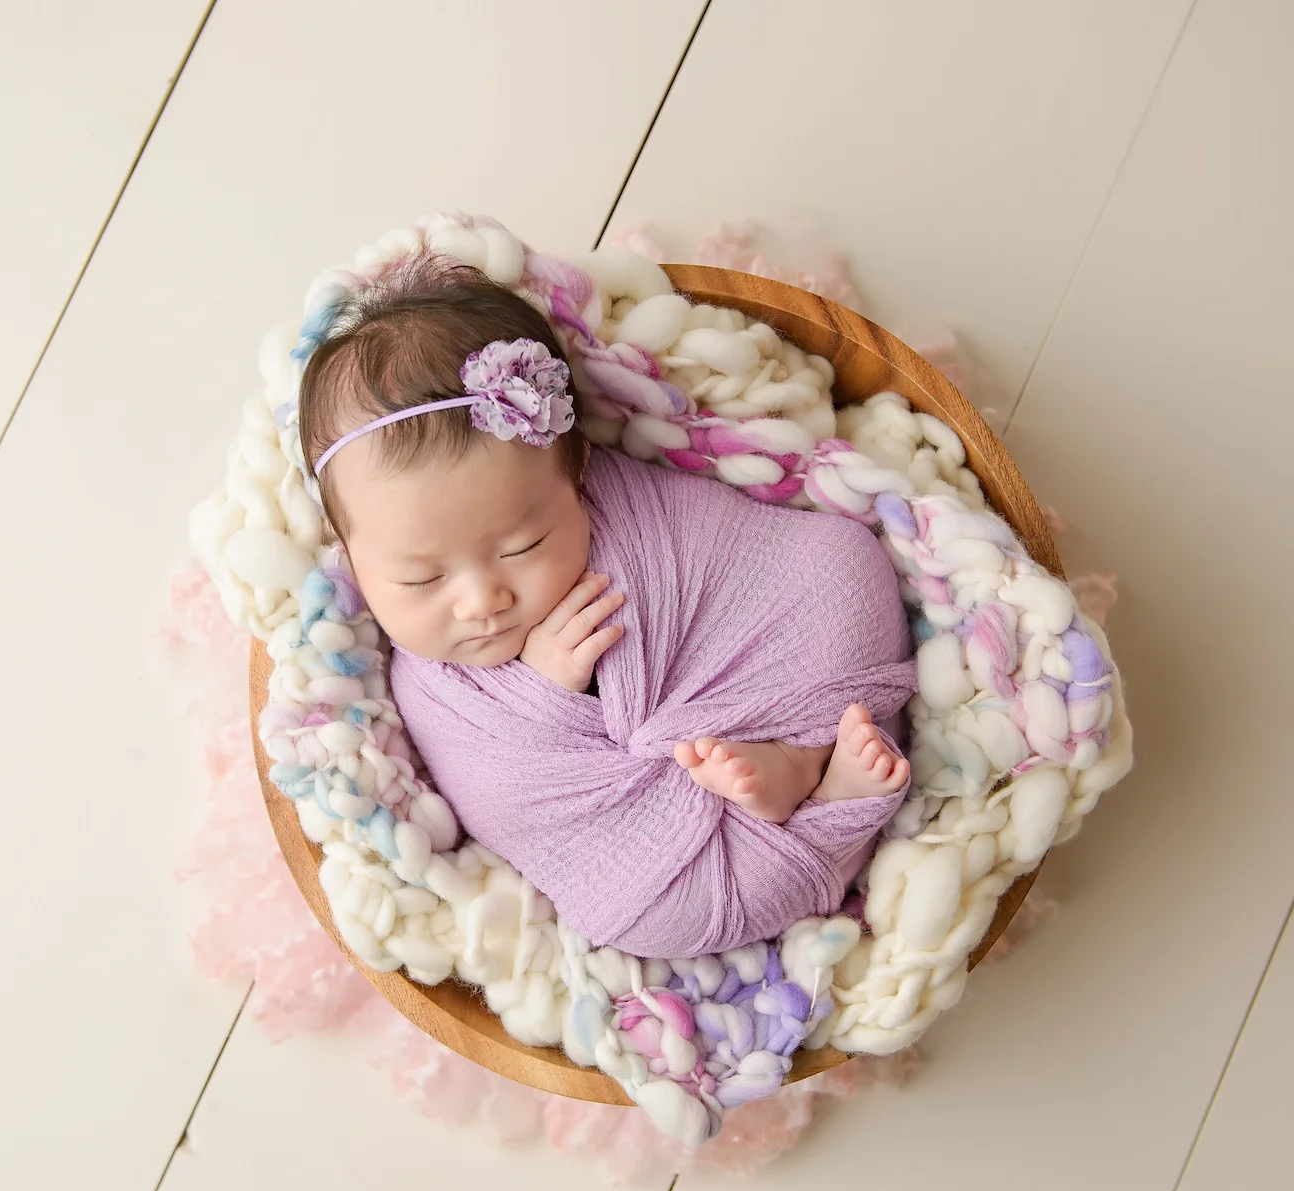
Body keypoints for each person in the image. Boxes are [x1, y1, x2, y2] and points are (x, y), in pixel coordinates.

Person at [295, 257, 918, 957]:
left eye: (523, 543)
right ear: (350, 554)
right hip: (637, 841)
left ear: (580, 472)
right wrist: (541, 692)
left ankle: (802, 761)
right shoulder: (425, 687)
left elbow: (722, 555)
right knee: (658, 919)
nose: (481, 600)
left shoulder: (624, 506)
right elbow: (501, 784)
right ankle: (831, 808)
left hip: (745, 654)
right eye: (419, 578)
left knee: (843, 566)